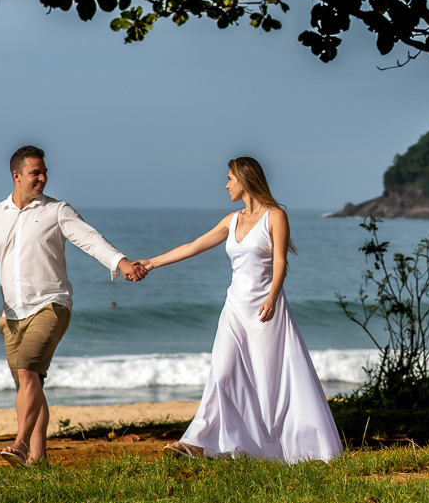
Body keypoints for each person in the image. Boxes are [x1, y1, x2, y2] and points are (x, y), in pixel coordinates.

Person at [0, 145, 146, 466]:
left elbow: (90, 239)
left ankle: (20, 444)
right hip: (11, 315)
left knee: (27, 374)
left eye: (45, 172)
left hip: (52, 305)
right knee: (30, 382)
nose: (43, 178)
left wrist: (121, 262)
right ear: (17, 175)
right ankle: (39, 459)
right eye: (36, 172)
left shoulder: (57, 211)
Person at [134, 157, 343, 463]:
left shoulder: (275, 216)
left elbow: (281, 262)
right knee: (222, 372)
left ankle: (287, 446)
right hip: (234, 308)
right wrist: (151, 263)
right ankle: (197, 442)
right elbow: (194, 245)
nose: (226, 184)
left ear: (246, 180)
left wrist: (273, 296)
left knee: (271, 381)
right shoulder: (231, 220)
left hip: (264, 310)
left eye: (230, 178)